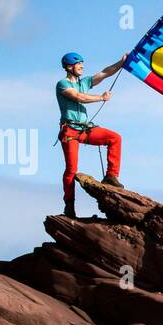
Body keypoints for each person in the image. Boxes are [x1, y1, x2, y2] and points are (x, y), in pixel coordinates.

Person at [56, 51, 126, 217]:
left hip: (85, 129)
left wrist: (122, 62)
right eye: (79, 64)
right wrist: (101, 98)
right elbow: (78, 97)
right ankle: (69, 205)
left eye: (82, 63)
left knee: (114, 138)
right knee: (71, 169)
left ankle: (111, 176)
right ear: (69, 67)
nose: (82, 66)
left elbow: (104, 73)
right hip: (70, 131)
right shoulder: (62, 84)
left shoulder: (84, 82)